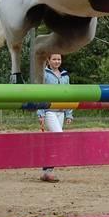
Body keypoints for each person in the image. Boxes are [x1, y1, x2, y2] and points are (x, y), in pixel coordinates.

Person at [37, 53, 74, 182]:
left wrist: (69, 113)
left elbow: (69, 95)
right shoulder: (45, 74)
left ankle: (47, 171)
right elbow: (40, 94)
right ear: (49, 60)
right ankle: (48, 170)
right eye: (54, 59)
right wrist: (40, 113)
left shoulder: (65, 76)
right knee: (59, 136)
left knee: (53, 141)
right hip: (49, 112)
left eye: (59, 59)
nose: (57, 61)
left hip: (61, 112)